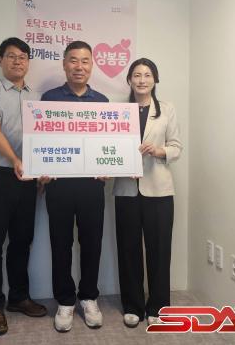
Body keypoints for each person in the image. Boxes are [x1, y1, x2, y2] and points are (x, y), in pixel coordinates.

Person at [0, 37, 47, 336]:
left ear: (29, 62)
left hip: (28, 179)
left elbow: (44, 136)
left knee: (22, 240)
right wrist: (16, 160)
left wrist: (42, 169)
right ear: (0, 60)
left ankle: (19, 297)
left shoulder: (37, 97)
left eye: (23, 57)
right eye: (11, 56)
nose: (18, 61)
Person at [41, 41, 109, 332]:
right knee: (61, 244)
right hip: (59, 185)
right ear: (64, 64)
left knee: (92, 243)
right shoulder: (49, 98)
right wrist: (41, 166)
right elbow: (41, 140)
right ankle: (65, 301)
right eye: (73, 60)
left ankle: (89, 297)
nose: (79, 66)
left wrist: (109, 166)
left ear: (91, 65)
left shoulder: (102, 102)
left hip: (92, 186)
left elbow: (108, 143)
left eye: (84, 61)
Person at [112, 58, 183, 328]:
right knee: (128, 249)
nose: (142, 80)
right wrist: (118, 164)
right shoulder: (118, 112)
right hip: (126, 189)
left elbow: (176, 146)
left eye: (147, 75)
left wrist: (159, 150)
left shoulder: (167, 109)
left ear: (155, 80)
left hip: (159, 190)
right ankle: (133, 306)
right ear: (129, 80)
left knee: (159, 250)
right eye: (137, 75)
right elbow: (108, 149)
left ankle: (158, 306)